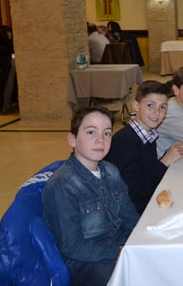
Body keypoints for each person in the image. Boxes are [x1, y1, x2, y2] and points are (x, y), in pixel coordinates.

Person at [42, 106, 139, 286]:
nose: (100, 140)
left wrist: (140, 243)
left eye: (107, 133)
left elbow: (130, 218)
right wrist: (118, 251)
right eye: (91, 132)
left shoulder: (111, 171)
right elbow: (72, 246)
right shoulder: (62, 185)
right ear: (72, 139)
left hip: (118, 247)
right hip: (85, 262)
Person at [105, 81, 183, 214]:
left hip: (147, 200)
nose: (156, 112)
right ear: (136, 106)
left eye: (162, 107)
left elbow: (145, 170)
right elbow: (134, 192)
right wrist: (164, 161)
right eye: (150, 105)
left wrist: (168, 154)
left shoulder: (148, 134)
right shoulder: (125, 142)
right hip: (133, 212)